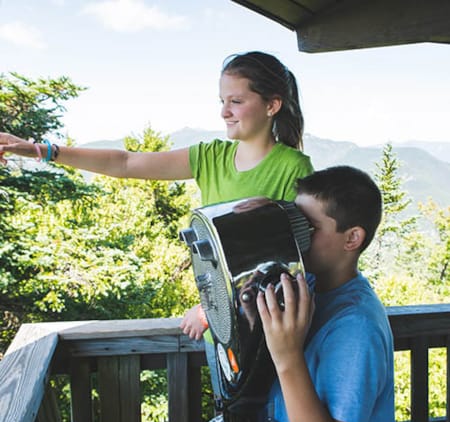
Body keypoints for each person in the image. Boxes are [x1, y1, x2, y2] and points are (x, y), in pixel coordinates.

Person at [0, 51, 314, 402]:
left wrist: (208, 311)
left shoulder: (294, 168)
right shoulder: (212, 157)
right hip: (219, 336)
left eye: (236, 101)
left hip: (267, 339)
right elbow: (126, 161)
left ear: (272, 105)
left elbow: (288, 267)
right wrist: (41, 151)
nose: (224, 112)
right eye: (222, 101)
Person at [257, 166, 395, 422]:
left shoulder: (357, 327)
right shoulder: (306, 285)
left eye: (309, 227)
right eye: (293, 221)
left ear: (352, 238)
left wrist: (288, 357)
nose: (295, 236)